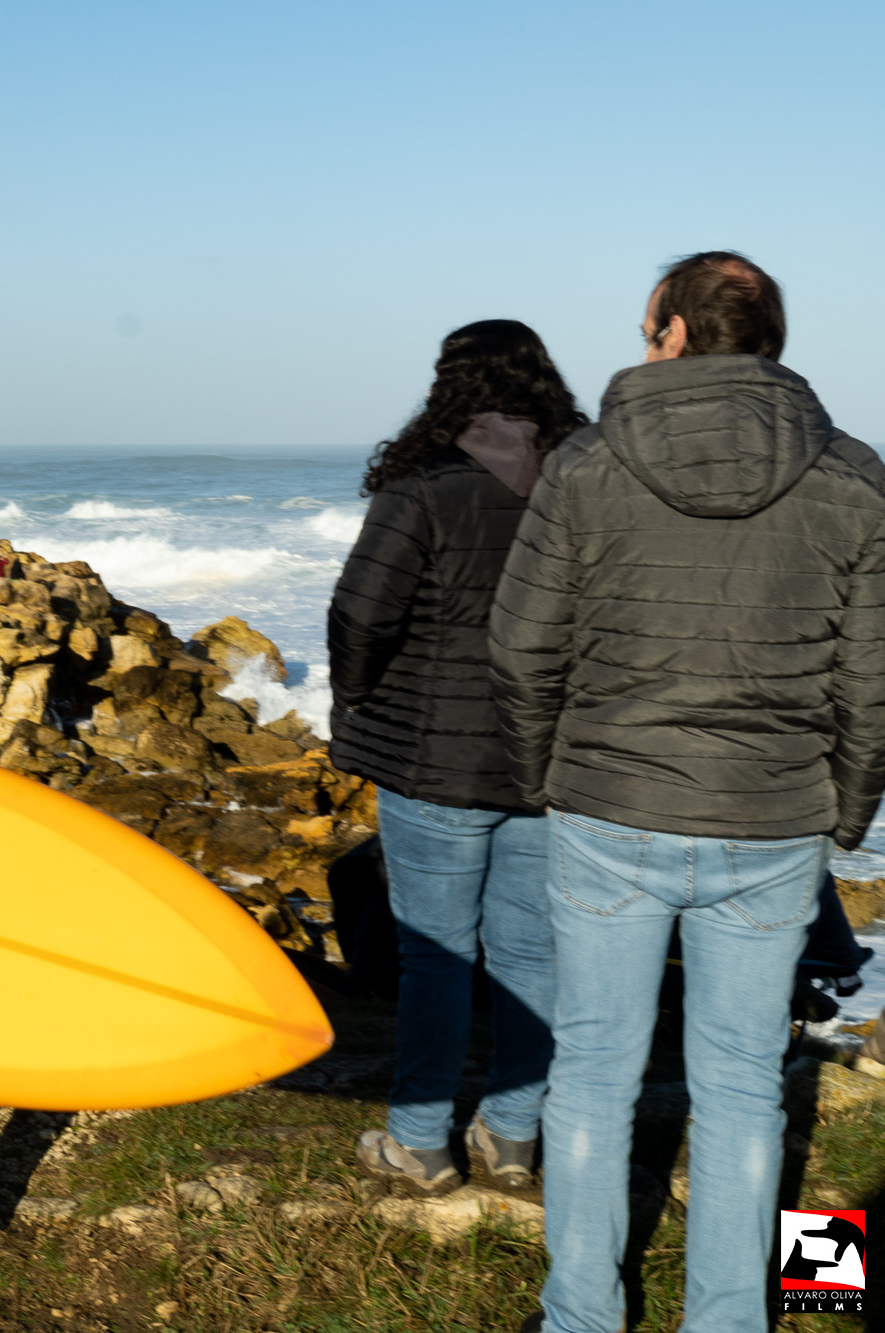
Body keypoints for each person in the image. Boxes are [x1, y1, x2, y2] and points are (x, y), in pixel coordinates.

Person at [490, 252, 885, 1333]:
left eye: (644, 326)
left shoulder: (585, 462)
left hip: (609, 805)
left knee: (591, 1073)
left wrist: (547, 777)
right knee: (744, 1083)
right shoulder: (854, 474)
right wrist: (845, 811)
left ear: (669, 332)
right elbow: (871, 678)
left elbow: (519, 646)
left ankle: (579, 1316)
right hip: (771, 817)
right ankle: (728, 1319)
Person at [329, 320, 589, 1200]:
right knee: (533, 953)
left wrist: (359, 697)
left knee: (436, 955)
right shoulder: (584, 481)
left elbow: (362, 612)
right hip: (546, 759)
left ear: (450, 385)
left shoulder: (424, 484)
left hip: (433, 759)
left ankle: (420, 1141)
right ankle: (513, 1135)